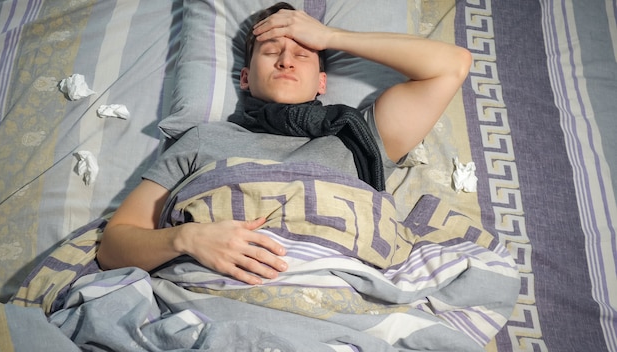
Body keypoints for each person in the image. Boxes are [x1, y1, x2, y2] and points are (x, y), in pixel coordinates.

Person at [96, 2, 472, 285]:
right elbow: (114, 247)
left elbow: (452, 64)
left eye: (303, 53)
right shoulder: (203, 139)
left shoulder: (358, 136)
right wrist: (186, 238)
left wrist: (330, 37)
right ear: (244, 78)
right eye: (272, 51)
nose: (286, 61)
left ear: (322, 82)